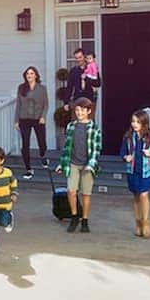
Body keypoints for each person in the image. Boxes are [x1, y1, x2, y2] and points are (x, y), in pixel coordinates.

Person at [56, 97, 102, 234]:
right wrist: (61, 164)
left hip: (88, 165)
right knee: (71, 191)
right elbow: (67, 148)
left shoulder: (94, 128)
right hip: (73, 164)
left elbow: (96, 149)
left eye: (82, 110)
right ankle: (75, 216)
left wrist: (91, 165)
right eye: (77, 110)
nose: (79, 113)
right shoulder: (71, 126)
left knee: (86, 194)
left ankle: (85, 220)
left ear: (88, 111)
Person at [119, 110, 150, 238]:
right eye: (133, 121)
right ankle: (138, 223)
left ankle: (145, 222)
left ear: (144, 123)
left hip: (146, 171)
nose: (134, 124)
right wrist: (125, 157)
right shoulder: (128, 137)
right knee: (136, 197)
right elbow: (122, 152)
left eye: (138, 122)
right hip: (132, 171)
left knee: (144, 195)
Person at [13, 66, 49, 180]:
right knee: (25, 145)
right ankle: (28, 169)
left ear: (36, 75)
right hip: (24, 119)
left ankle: (43, 156)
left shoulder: (42, 88)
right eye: (27, 73)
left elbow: (46, 104)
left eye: (32, 73)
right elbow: (18, 105)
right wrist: (16, 120)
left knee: (42, 142)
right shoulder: (21, 88)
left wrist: (43, 117)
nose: (29, 75)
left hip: (38, 119)